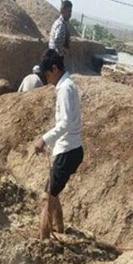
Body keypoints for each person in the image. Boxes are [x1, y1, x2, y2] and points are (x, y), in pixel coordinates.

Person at [34, 49, 83, 240]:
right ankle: (59, 229)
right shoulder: (67, 86)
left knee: (47, 197)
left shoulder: (65, 89)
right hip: (69, 149)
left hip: (68, 150)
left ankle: (42, 238)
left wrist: (44, 140)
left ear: (54, 69)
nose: (47, 79)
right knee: (53, 193)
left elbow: (65, 123)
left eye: (47, 75)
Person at [49, 0, 73, 65]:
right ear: (62, 11)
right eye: (69, 11)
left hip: (53, 54)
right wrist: (63, 51)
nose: (70, 15)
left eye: (71, 12)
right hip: (56, 56)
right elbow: (57, 40)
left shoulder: (59, 23)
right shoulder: (61, 24)